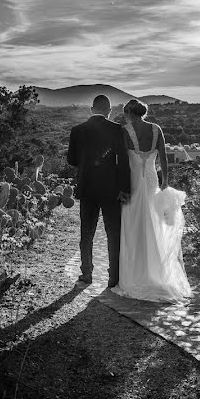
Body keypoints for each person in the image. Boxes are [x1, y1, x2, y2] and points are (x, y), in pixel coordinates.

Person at [111, 99, 192, 303]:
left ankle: (134, 277)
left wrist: (120, 186)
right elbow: (163, 159)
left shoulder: (125, 130)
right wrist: (165, 182)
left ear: (128, 112)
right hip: (152, 182)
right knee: (154, 225)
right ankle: (156, 273)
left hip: (134, 181)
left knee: (134, 226)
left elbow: (121, 161)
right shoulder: (156, 129)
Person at [66, 95, 131, 287]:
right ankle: (113, 277)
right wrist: (124, 188)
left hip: (87, 187)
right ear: (109, 110)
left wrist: (86, 163)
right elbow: (124, 162)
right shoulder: (117, 129)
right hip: (111, 188)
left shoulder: (77, 130)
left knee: (87, 233)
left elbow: (72, 160)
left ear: (92, 109)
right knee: (113, 233)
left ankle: (87, 273)